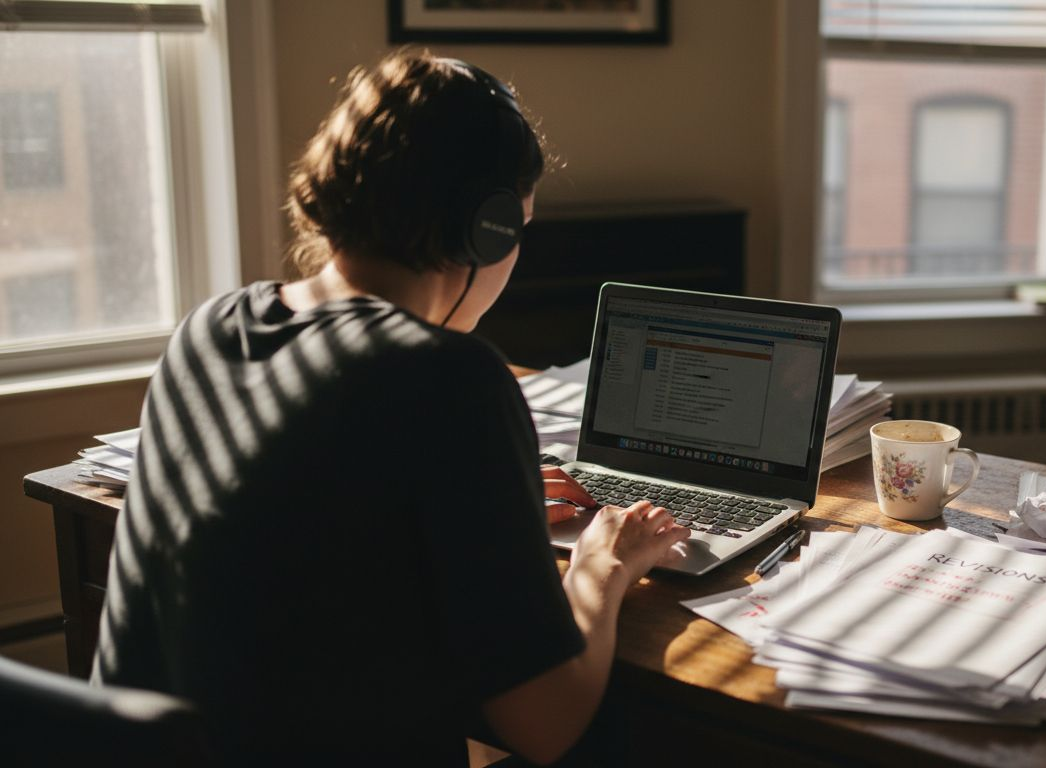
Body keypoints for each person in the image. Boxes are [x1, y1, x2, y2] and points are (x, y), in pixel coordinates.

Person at [92, 50, 689, 764]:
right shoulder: (451, 379)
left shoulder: (209, 329)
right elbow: (546, 723)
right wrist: (604, 565)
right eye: (518, 229)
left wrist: (489, 499)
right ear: (486, 229)